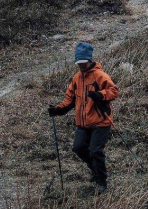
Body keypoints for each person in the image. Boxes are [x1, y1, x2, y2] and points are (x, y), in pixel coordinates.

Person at [48, 42, 120, 193]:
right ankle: (95, 169)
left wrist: (100, 94)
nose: (81, 66)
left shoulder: (100, 76)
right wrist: (58, 109)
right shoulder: (76, 78)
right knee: (78, 148)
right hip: (82, 123)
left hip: (101, 122)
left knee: (95, 151)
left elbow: (114, 91)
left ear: (89, 60)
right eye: (78, 63)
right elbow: (70, 100)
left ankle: (101, 182)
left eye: (83, 63)